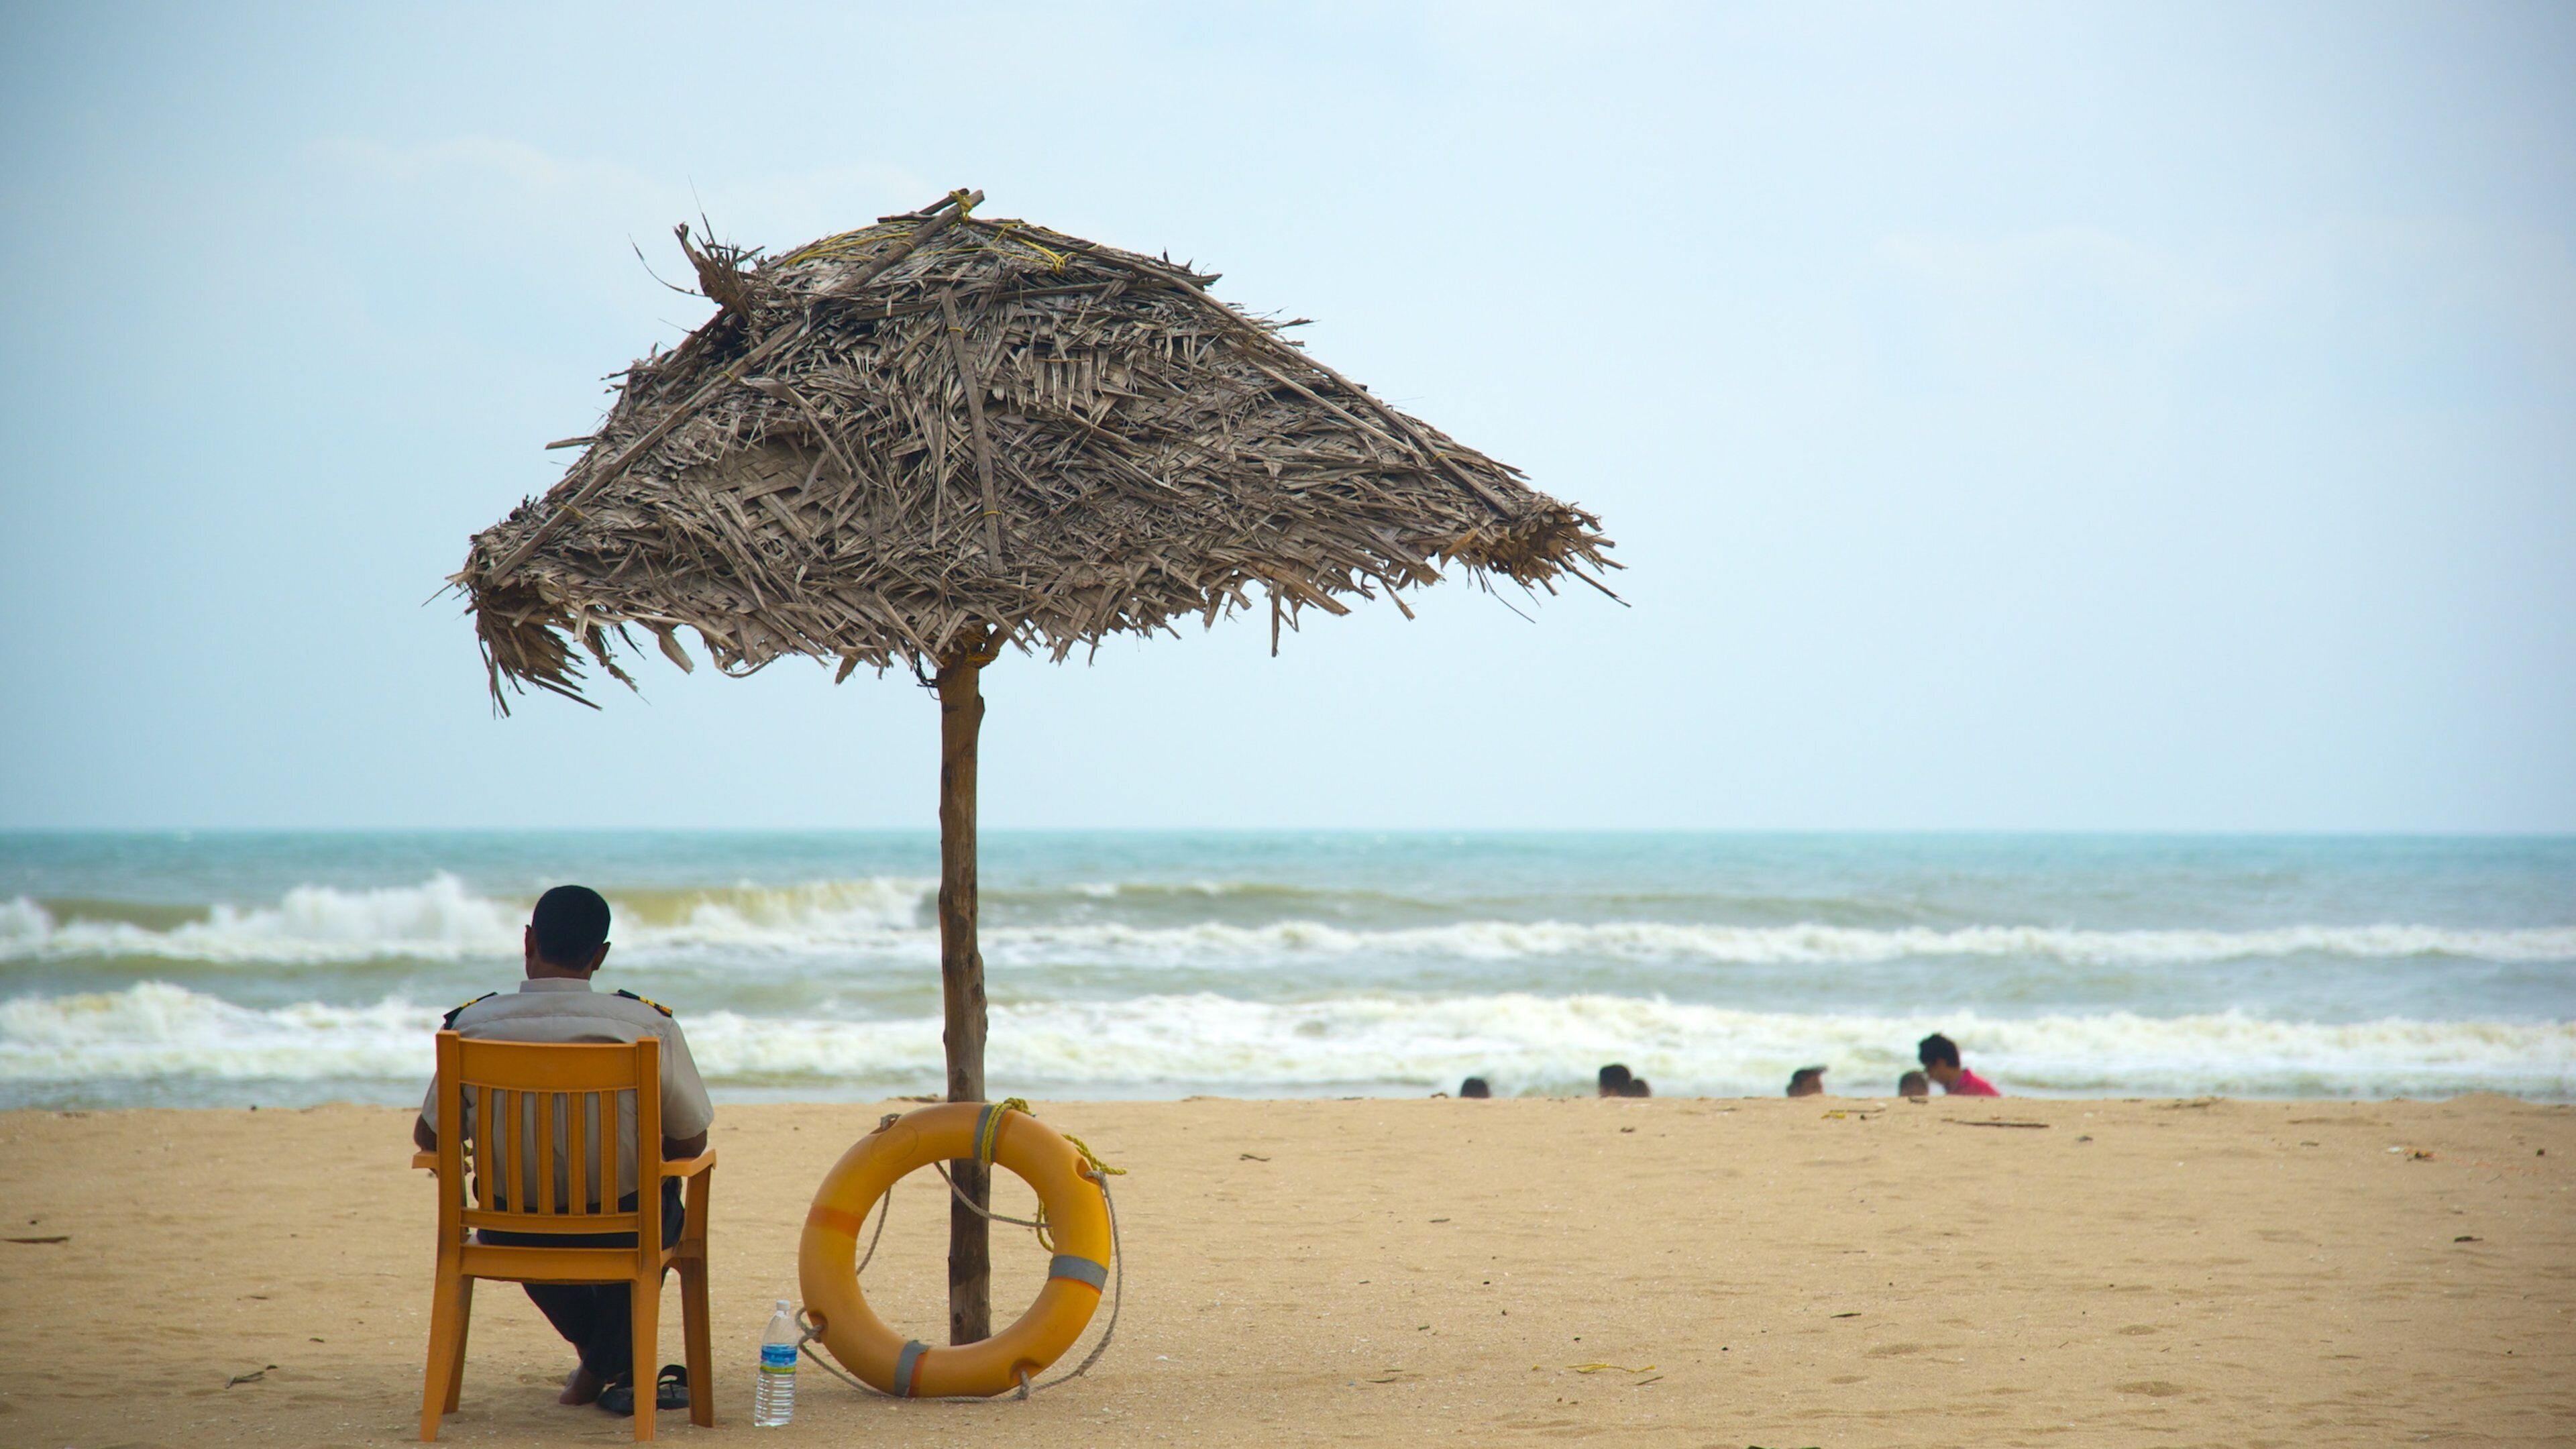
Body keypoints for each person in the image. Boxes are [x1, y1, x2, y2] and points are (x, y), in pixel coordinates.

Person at [412, 885, 714, 1415]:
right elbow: (691, 1142)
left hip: (507, 1226)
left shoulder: (471, 1026)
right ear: (601, 956)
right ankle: (605, 1365)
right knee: (660, 1205)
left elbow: (431, 1138)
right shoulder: (647, 1027)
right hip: (623, 1224)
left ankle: (600, 1366)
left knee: (528, 1205)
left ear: (528, 942)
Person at [1916, 1032, 2000, 1096]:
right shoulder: (1950, 1088)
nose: (1928, 1073)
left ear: (1940, 1063)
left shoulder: (1977, 1087)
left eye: (1928, 1067)